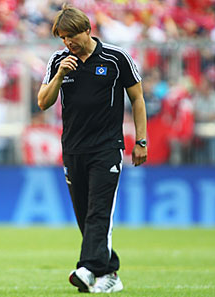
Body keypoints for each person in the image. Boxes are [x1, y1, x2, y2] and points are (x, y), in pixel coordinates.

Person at [38, 4, 148, 294]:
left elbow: (137, 98)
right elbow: (43, 101)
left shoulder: (116, 58)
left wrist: (141, 140)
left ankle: (87, 269)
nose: (67, 43)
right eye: (62, 37)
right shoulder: (59, 61)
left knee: (99, 212)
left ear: (87, 30)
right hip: (73, 148)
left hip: (107, 148)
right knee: (83, 214)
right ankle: (109, 272)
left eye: (70, 36)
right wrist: (59, 75)